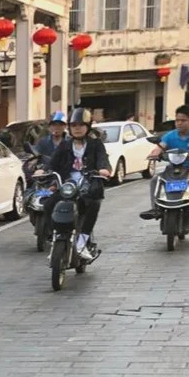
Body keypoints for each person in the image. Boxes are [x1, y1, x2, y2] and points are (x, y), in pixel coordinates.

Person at [36, 107, 112, 261]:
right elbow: (53, 162)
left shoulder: (95, 144)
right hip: (67, 187)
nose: (77, 129)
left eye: (81, 125)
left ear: (88, 126)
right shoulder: (64, 145)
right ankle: (55, 239)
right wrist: (43, 171)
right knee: (49, 204)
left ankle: (82, 242)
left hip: (88, 186)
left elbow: (102, 159)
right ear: (70, 128)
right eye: (74, 125)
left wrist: (104, 169)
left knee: (93, 204)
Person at [140, 104, 189, 220]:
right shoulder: (170, 135)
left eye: (183, 120)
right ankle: (155, 208)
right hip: (173, 167)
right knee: (155, 179)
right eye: (177, 120)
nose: (179, 123)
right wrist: (154, 154)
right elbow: (160, 146)